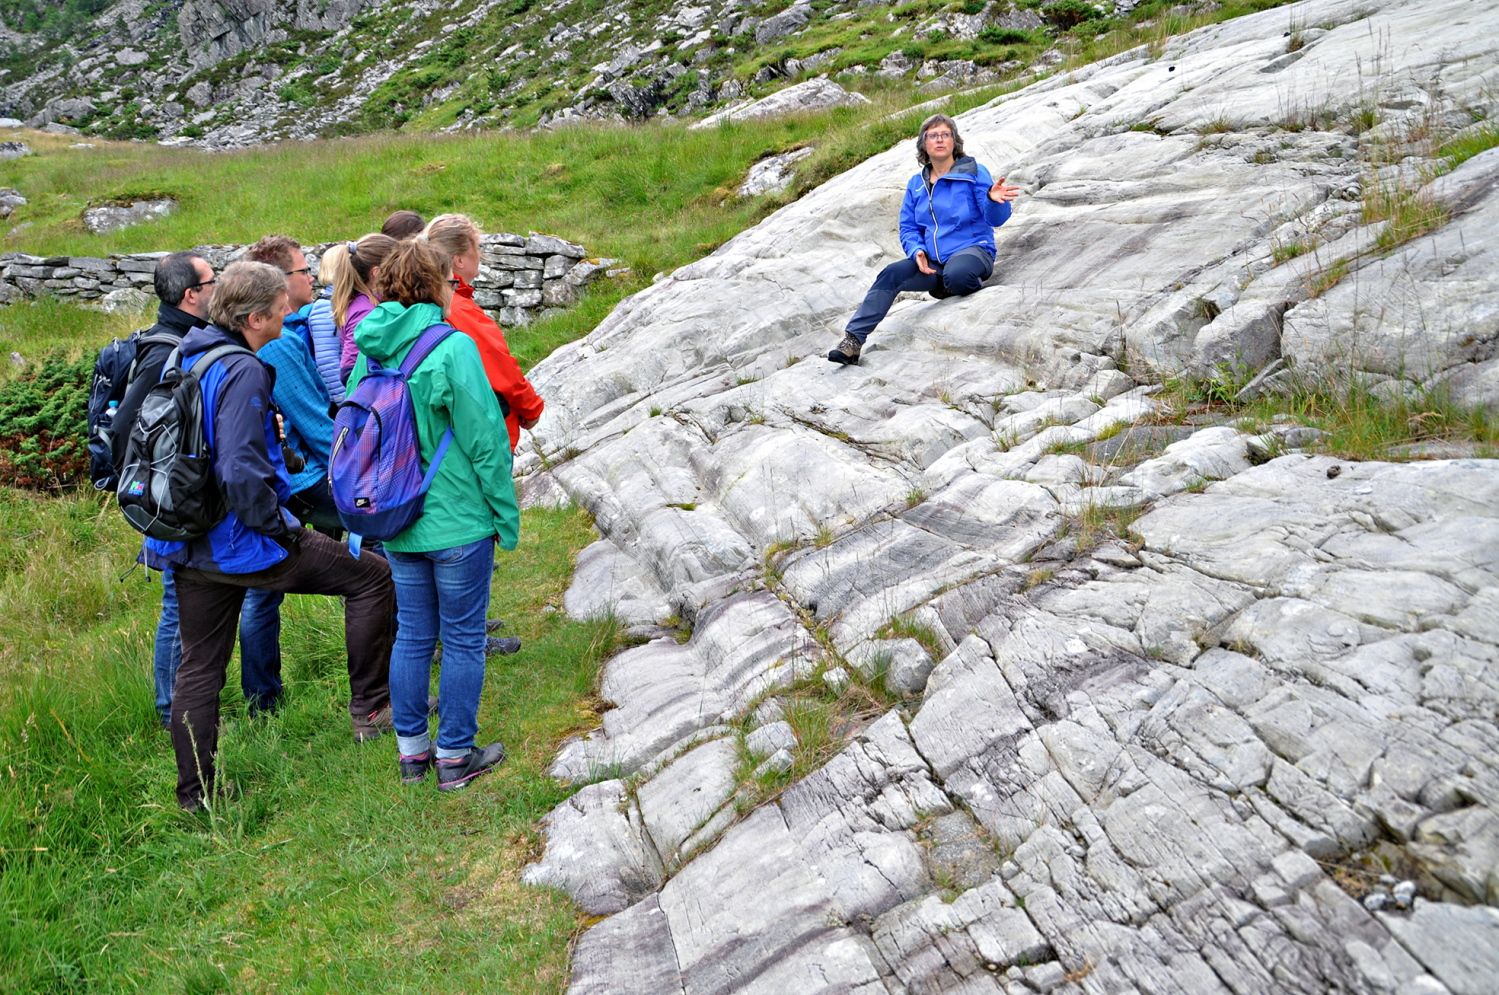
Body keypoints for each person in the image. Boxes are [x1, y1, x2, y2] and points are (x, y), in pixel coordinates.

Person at [144, 261, 396, 811]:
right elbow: (238, 469)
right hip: (243, 539)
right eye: (282, 307)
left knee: (201, 665)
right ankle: (372, 711)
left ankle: (196, 798)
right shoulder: (245, 370)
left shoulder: (191, 351)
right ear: (255, 317)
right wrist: (280, 529)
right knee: (373, 578)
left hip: (190, 538)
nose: (291, 312)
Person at [348, 239, 520, 791]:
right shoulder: (451, 347)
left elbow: (353, 430)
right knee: (465, 638)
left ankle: (412, 757)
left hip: (398, 517)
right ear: (435, 284)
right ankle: (454, 757)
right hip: (457, 519)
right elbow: (486, 441)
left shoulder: (370, 348)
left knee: (413, 637)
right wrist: (505, 514)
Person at [112, 251, 278, 727]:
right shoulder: (168, 349)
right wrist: (169, 484)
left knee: (185, 607)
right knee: (175, 607)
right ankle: (171, 712)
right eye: (212, 280)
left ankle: (190, 708)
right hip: (178, 502)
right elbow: (133, 430)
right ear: (192, 294)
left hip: (187, 498)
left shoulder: (190, 343)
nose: (218, 287)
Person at [827, 114, 1020, 366]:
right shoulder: (916, 184)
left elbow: (995, 219)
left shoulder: (973, 172)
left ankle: (949, 283)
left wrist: (994, 201)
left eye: (945, 134)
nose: (940, 139)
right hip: (933, 263)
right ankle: (853, 341)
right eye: (933, 135)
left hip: (973, 251)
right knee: (891, 273)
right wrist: (917, 250)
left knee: (959, 274)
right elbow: (908, 227)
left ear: (954, 141)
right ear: (923, 144)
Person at [421, 214, 545, 453]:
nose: (480, 255)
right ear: (458, 260)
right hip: (484, 437)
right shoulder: (457, 307)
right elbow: (499, 367)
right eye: (476, 248)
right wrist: (532, 409)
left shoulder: (425, 299)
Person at [325, 233, 398, 382]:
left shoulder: (366, 303)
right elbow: (348, 370)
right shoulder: (366, 312)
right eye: (398, 268)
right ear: (376, 273)